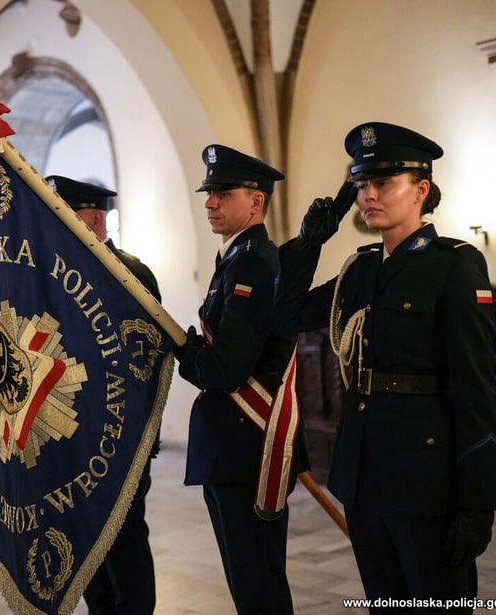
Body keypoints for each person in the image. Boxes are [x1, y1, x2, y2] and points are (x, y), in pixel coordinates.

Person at [275, 122, 496, 613]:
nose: (368, 195)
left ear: (421, 190)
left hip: (426, 479)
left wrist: (477, 504)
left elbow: (477, 390)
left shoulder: (455, 266)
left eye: (383, 183)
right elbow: (286, 316)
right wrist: (308, 244)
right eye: (361, 184)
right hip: (363, 473)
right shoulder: (361, 269)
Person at [173, 145, 309, 615]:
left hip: (247, 443)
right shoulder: (237, 259)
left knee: (257, 581)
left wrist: (181, 349)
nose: (209, 202)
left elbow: (226, 371)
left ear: (256, 201)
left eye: (222, 192)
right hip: (237, 442)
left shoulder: (252, 263)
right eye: (209, 192)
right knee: (252, 577)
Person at [46, 174, 161, 615]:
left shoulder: (130, 274)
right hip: (73, 434)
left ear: (95, 219)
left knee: (126, 537)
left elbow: (146, 359)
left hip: (121, 437)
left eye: (64, 214)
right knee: (85, 537)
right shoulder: (57, 273)